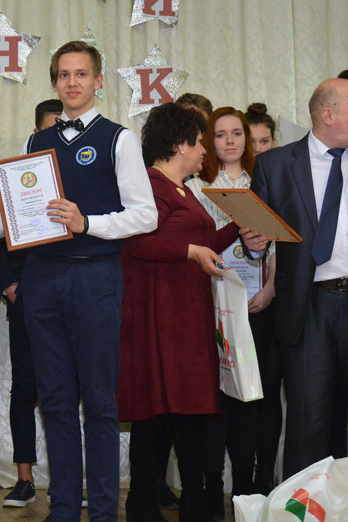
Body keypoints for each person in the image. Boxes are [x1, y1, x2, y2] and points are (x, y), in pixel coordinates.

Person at [0, 40, 159, 521]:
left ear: (98, 81)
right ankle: (64, 509)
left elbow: (146, 215)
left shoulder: (119, 139)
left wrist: (86, 222)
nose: (72, 82)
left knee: (100, 402)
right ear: (54, 82)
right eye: (64, 75)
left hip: (95, 276)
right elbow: (14, 214)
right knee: (55, 402)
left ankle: (104, 512)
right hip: (42, 278)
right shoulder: (35, 143)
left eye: (81, 74)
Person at [119, 103, 241, 522]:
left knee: (188, 413)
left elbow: (202, 242)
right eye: (200, 141)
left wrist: (240, 228)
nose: (206, 150)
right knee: (158, 413)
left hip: (187, 317)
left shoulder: (184, 189)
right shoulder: (152, 186)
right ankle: (142, 503)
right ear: (180, 144)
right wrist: (190, 251)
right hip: (161, 318)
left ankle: (193, 501)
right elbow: (136, 243)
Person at [251, 77, 348, 479]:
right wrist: (254, 241)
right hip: (307, 308)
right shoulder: (275, 164)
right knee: (308, 424)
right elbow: (257, 237)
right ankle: (302, 506)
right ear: (329, 115)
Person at [186, 107, 267, 513]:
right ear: (208, 140)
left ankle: (246, 490)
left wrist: (270, 288)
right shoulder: (195, 187)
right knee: (215, 401)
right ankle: (212, 486)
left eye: (237, 133)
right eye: (220, 134)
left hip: (256, 305)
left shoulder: (262, 183)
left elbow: (278, 244)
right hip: (211, 303)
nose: (230, 141)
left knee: (250, 400)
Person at [0, 98, 62, 509]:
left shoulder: (81, 182)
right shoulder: (19, 181)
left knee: (65, 392)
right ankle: (24, 479)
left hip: (68, 302)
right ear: (36, 134)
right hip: (27, 300)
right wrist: (11, 286)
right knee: (24, 390)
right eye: (51, 128)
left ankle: (66, 480)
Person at [245, 102, 284, 494]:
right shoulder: (233, 185)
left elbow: (284, 244)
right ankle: (241, 476)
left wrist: (271, 287)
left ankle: (266, 474)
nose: (258, 149)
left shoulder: (285, 179)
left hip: (274, 305)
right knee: (241, 398)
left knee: (270, 392)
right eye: (251, 141)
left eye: (265, 141)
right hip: (236, 305)